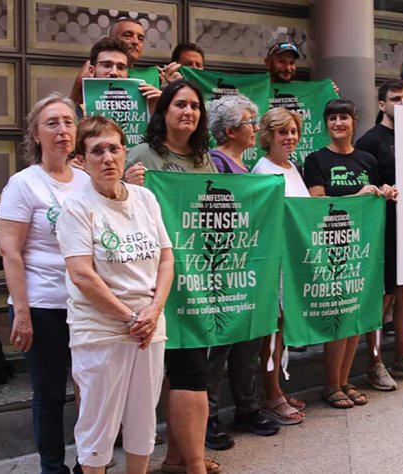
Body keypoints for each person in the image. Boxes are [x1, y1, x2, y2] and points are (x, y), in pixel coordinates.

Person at [56, 116, 172, 474]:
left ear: (125, 153)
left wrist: (153, 311)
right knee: (98, 427)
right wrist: (129, 317)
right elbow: (82, 275)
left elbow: (166, 257)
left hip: (148, 327)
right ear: (81, 159)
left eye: (114, 148)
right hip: (102, 330)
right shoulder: (77, 207)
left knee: (143, 419)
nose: (107, 158)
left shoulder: (145, 198)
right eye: (96, 151)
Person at [123, 79, 221, 474]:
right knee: (179, 370)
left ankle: (179, 459)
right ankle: (191, 463)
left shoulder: (204, 159)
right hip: (152, 281)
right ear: (163, 111)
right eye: (180, 104)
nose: (189, 112)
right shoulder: (141, 154)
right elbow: (116, 204)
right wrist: (129, 187)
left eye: (195, 107)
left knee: (190, 366)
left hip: (195, 279)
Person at [0, 94, 90, 474]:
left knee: (92, 390)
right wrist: (22, 314)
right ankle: (53, 467)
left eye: (68, 122)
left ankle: (91, 462)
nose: (62, 130)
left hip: (85, 305)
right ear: (36, 134)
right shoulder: (23, 184)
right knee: (50, 395)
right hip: (41, 305)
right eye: (52, 123)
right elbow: (11, 252)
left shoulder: (86, 180)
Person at [304, 98, 396, 409]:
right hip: (330, 249)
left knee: (355, 316)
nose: (338, 123)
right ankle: (330, 386)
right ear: (326, 124)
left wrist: (384, 193)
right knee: (337, 317)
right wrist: (357, 195)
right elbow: (316, 201)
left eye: (344, 117)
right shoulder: (316, 160)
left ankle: (344, 381)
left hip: (361, 249)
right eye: (332, 118)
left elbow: (374, 198)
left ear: (354, 122)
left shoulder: (367, 160)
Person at [204, 93, 282, 445]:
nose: (255, 129)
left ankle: (247, 408)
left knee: (249, 343)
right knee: (219, 347)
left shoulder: (244, 167)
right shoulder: (217, 164)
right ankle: (208, 418)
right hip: (224, 270)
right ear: (232, 130)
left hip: (249, 267)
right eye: (251, 123)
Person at [355, 79, 403, 389]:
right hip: (384, 228)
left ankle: (402, 358)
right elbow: (365, 188)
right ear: (381, 105)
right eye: (395, 99)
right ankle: (374, 363)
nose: (402, 104)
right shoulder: (370, 141)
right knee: (383, 296)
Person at [251, 107, 309, 425]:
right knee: (272, 330)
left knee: (283, 327)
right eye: (282, 132)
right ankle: (271, 394)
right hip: (275, 262)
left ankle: (277, 390)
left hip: (292, 260)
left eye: (293, 131)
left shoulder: (291, 167)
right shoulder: (263, 171)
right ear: (268, 136)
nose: (290, 138)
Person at [71, 37, 161, 119]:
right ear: (91, 71)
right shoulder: (74, 115)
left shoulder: (147, 110)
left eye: (121, 67)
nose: (114, 72)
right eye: (107, 65)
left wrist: (160, 109)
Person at [70, 18, 147, 106]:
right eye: (128, 35)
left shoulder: (152, 75)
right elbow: (72, 107)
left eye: (140, 38)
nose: (135, 41)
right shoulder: (89, 71)